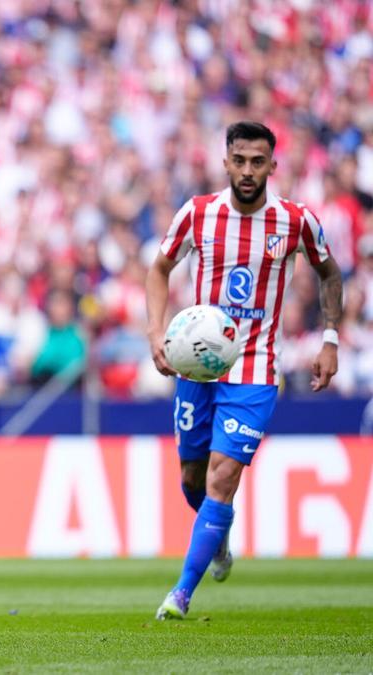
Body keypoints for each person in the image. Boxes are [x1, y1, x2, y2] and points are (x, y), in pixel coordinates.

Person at [146, 121, 342, 620]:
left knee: (223, 477)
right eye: (240, 160)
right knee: (192, 475)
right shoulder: (198, 213)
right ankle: (219, 535)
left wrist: (330, 337)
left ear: (273, 166)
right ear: (226, 162)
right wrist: (155, 332)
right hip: (197, 369)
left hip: (255, 371)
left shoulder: (296, 222)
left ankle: (180, 595)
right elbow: (159, 269)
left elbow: (330, 272)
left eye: (259, 162)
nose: (249, 170)